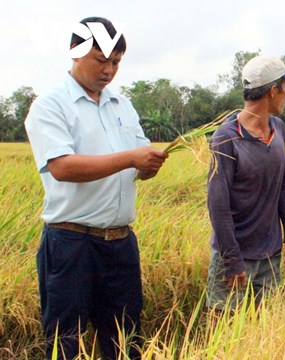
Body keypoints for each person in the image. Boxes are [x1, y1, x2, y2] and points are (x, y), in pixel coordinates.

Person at [24, 17, 168, 360]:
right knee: (65, 344)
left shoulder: (122, 105)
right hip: (72, 244)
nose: (108, 70)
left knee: (125, 341)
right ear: (76, 53)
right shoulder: (50, 104)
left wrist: (148, 164)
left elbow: (139, 162)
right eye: (100, 60)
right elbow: (62, 167)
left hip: (120, 244)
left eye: (115, 62)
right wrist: (131, 158)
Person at [207, 55, 285, 311]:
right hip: (235, 255)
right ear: (274, 90)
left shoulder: (278, 129)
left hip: (269, 255)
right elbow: (218, 205)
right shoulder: (226, 138)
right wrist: (231, 259)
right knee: (224, 330)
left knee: (266, 330)